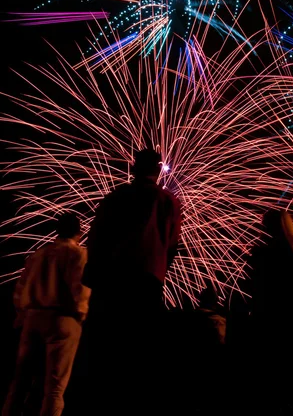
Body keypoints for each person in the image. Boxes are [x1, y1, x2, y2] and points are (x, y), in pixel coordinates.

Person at [83, 148, 182, 414]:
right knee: (140, 348)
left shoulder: (117, 197)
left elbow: (97, 236)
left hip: (113, 278)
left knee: (106, 347)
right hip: (149, 279)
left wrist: (92, 273)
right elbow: (172, 243)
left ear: (134, 169)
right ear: (157, 171)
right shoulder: (169, 201)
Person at [2, 213, 89, 416]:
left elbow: (20, 289)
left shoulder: (39, 253)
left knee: (20, 382)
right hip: (63, 319)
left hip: (32, 318)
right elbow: (81, 290)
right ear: (79, 232)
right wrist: (81, 315)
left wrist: (21, 315)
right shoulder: (78, 254)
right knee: (55, 389)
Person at [246, 208, 293, 415]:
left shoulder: (262, 253)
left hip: (269, 314)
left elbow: (254, 287)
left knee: (269, 367)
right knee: (291, 363)